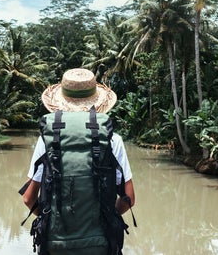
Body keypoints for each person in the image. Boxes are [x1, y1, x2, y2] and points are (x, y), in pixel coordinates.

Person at [22, 68, 135, 254]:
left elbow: (28, 199)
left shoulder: (48, 139)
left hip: (55, 245)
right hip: (101, 245)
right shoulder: (113, 140)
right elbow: (128, 198)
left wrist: (49, 220)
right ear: (98, 101)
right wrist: (106, 217)